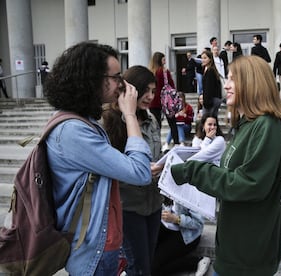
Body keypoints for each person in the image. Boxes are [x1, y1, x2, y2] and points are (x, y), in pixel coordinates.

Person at [170, 55, 281, 275]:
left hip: (248, 256)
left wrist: (192, 171)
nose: (226, 85)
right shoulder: (247, 125)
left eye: (233, 79)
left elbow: (249, 184)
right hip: (233, 247)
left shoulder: (267, 126)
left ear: (252, 82)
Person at [43, 42, 152, 275]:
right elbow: (140, 173)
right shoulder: (73, 131)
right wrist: (130, 114)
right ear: (91, 80)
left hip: (104, 243)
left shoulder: (84, 122)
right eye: (115, 77)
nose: (121, 84)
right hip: (93, 251)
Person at [101, 65, 163, 276]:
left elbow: (156, 153)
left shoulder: (151, 119)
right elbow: (111, 167)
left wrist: (163, 165)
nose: (150, 96)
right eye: (146, 90)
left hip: (154, 203)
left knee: (148, 260)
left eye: (154, 91)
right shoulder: (110, 121)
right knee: (138, 265)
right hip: (128, 206)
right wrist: (139, 169)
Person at [152, 113, 225, 276]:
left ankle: (197, 262)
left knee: (154, 267)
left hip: (186, 233)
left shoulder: (186, 185)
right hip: (168, 229)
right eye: (209, 124)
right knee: (148, 256)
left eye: (214, 125)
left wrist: (175, 219)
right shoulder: (162, 184)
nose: (212, 128)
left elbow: (198, 224)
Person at [149, 51, 180, 145]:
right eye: (163, 59)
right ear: (160, 60)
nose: (165, 61)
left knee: (156, 125)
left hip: (154, 101)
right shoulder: (164, 71)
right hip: (167, 101)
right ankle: (176, 143)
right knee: (172, 123)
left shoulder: (151, 72)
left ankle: (156, 144)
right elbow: (172, 85)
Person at [201, 50, 222, 118]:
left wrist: (206, 103)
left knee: (207, 121)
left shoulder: (210, 71)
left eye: (205, 58)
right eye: (202, 58)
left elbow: (208, 88)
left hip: (211, 100)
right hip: (214, 99)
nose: (203, 60)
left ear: (210, 59)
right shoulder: (209, 69)